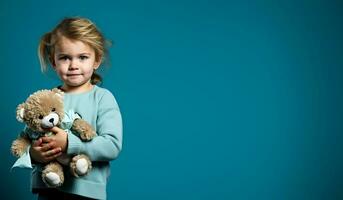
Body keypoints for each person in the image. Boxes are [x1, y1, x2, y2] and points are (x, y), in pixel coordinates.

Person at [29, 17, 123, 200]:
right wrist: (33, 154)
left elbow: (112, 145)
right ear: (53, 62)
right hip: (48, 189)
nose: (73, 65)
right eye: (65, 58)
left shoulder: (102, 98)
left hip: (85, 193)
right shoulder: (47, 99)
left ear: (96, 61)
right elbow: (29, 137)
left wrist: (69, 144)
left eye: (83, 57)